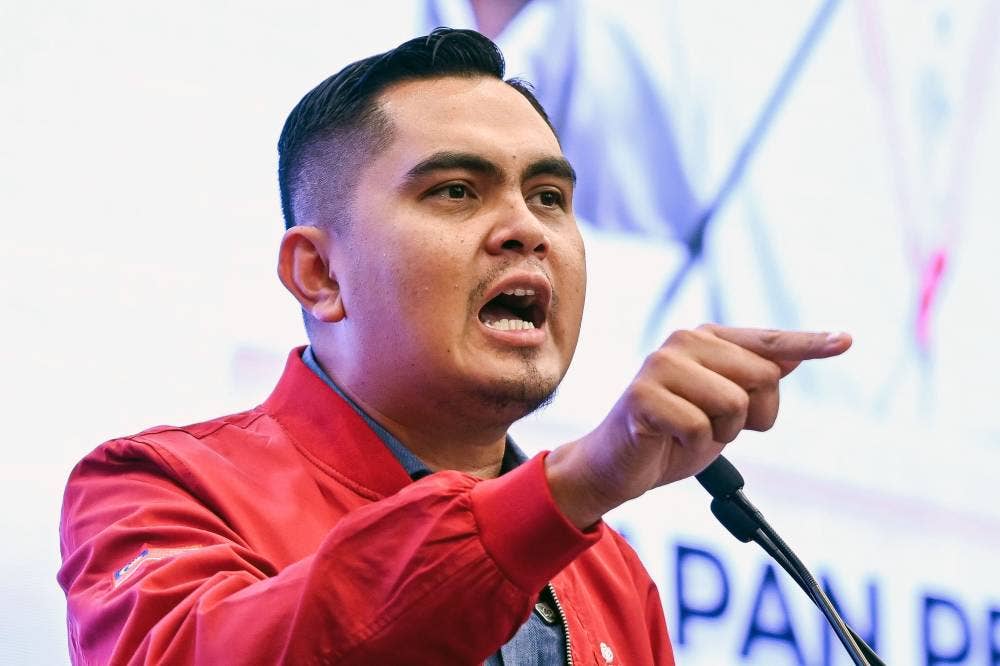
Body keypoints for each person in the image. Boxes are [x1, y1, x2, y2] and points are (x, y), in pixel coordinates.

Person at [57, 28, 851, 665]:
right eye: (455, 191)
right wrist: (573, 484)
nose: (527, 232)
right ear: (318, 273)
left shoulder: (610, 573)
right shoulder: (156, 489)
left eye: (549, 198)